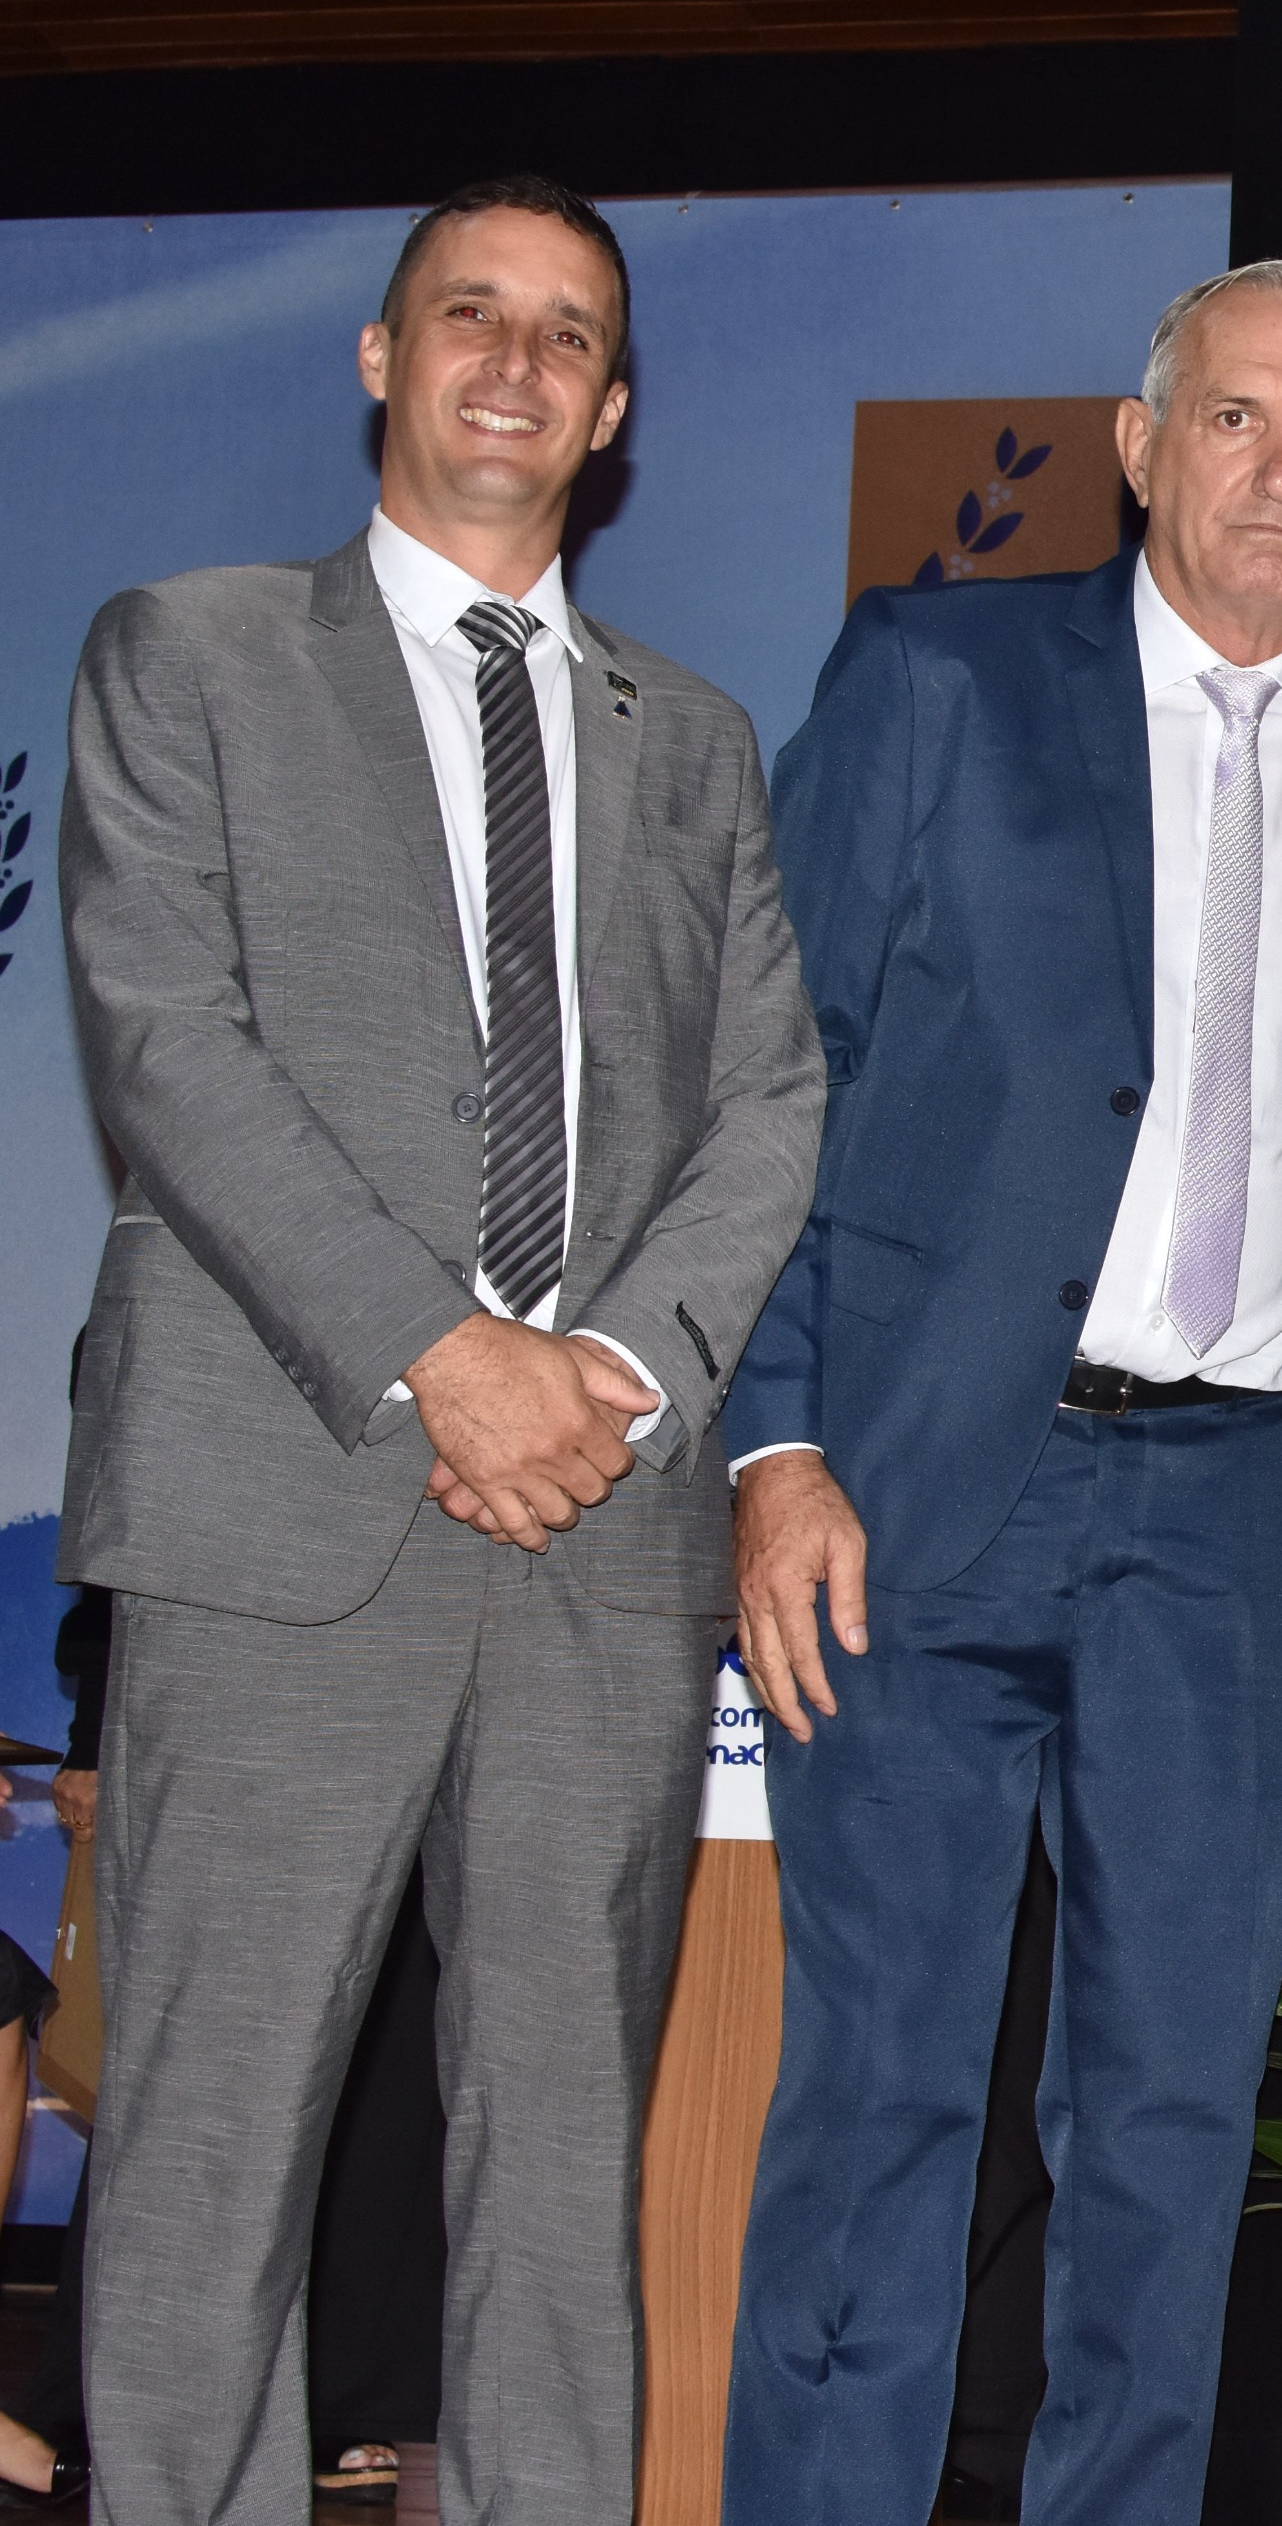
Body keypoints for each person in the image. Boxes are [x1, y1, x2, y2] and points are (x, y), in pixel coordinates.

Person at [53, 172, 822, 2523]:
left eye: (567, 333)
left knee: (566, 2177)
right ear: (382, 358)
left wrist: (623, 1377)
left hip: (600, 1531)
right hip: (279, 1507)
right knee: (211, 2144)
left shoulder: (696, 742)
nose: (515, 359)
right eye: (467, 313)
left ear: (613, 409)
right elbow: (166, 1037)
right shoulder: (186, 653)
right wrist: (439, 1351)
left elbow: (773, 1099)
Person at [717, 258, 1282, 2521]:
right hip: (922, 1494)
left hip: (1238, 1517)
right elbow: (772, 1075)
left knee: (1168, 2124)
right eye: (1237, 418)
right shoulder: (939, 674)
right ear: (1137, 443)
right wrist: (774, 1438)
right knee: (880, 2093)